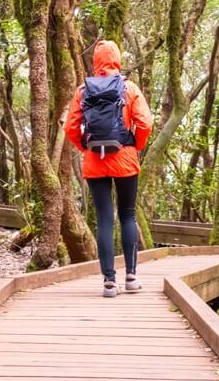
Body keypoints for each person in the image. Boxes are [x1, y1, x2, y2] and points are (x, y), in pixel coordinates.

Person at [63, 40, 153, 297]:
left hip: (95, 161)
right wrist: (136, 144)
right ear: (117, 59)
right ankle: (132, 277)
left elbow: (70, 127)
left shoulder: (84, 90)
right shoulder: (128, 87)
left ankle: (109, 282)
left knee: (104, 218)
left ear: (95, 61)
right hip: (125, 157)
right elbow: (145, 122)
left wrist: (86, 147)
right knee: (127, 214)